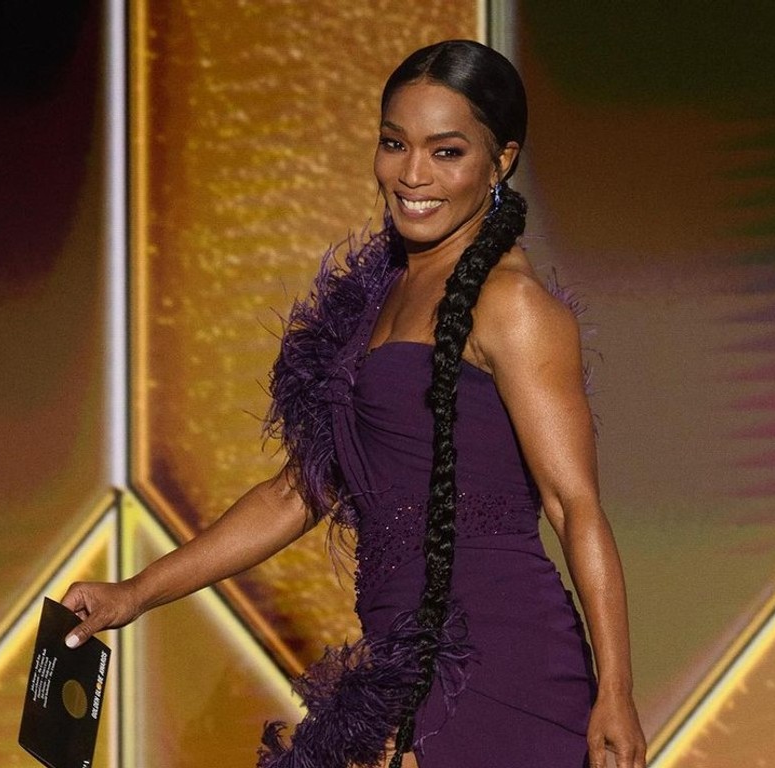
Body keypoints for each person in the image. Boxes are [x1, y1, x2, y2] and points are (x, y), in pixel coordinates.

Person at [62, 39, 645, 768]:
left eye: (446, 152)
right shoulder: (371, 300)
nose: (412, 174)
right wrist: (135, 593)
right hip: (401, 663)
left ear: (501, 161)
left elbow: (573, 505)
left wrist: (616, 690)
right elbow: (295, 493)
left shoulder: (514, 305)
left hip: (502, 662)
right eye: (395, 144)